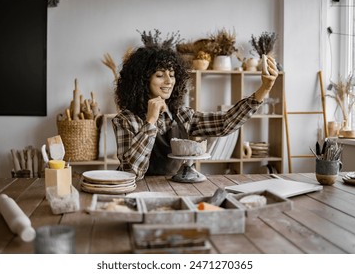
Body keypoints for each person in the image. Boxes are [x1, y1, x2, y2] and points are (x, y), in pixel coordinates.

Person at [111, 34, 278, 181]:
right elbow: (131, 173)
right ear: (141, 81)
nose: (169, 81)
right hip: (138, 193)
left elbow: (224, 123)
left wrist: (264, 89)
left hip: (175, 188)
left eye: (172, 74)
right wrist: (150, 121)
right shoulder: (125, 120)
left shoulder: (180, 114)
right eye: (160, 75)